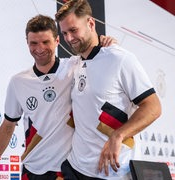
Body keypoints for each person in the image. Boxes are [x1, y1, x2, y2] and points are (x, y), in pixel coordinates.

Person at [0, 14, 115, 180]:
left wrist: (109, 46)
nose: (39, 48)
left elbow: (102, 59)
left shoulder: (76, 66)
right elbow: (8, 126)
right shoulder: (18, 82)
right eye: (34, 43)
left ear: (57, 41)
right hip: (33, 169)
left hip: (68, 169)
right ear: (27, 43)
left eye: (45, 42)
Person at [55, 0, 162, 179]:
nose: (69, 38)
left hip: (114, 172)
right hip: (77, 168)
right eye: (64, 33)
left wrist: (118, 136)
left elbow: (153, 107)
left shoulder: (120, 58)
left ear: (90, 23)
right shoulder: (74, 65)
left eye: (73, 30)